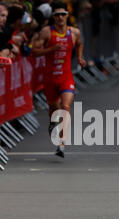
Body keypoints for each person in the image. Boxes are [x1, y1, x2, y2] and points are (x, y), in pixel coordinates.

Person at [31, 0, 87, 158]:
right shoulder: (47, 32)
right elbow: (34, 52)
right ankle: (53, 125)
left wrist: (81, 58)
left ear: (67, 15)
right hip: (49, 79)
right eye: (57, 15)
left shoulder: (74, 32)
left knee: (66, 107)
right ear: (53, 17)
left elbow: (80, 44)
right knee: (54, 110)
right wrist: (51, 49)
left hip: (66, 77)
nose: (60, 17)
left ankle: (62, 143)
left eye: (63, 14)